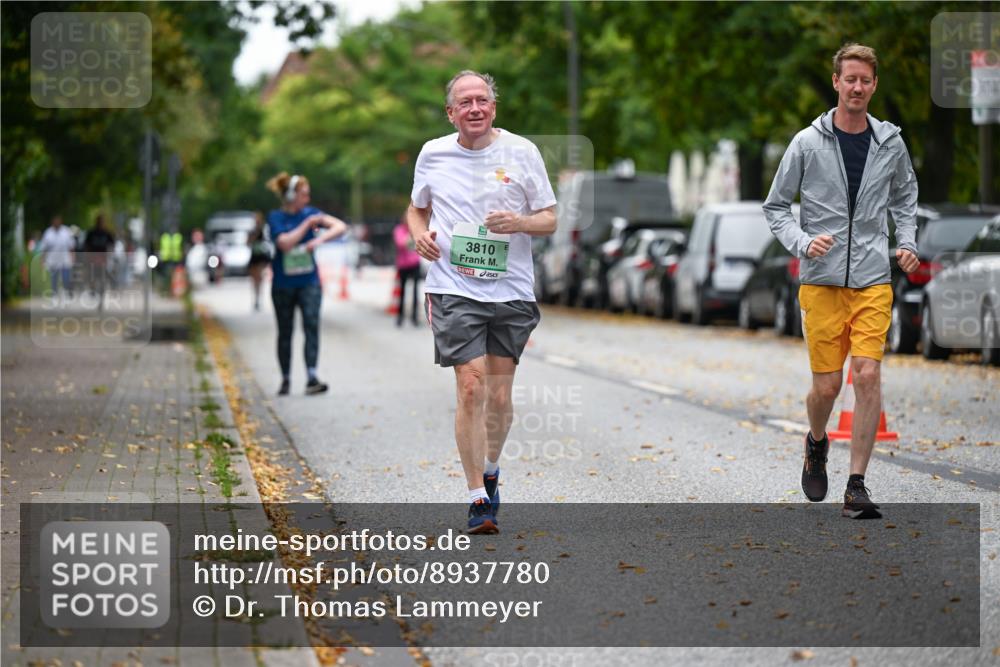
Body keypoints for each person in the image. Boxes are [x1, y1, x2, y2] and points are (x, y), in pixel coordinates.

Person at [763, 44, 919, 519]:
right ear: (836, 82)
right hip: (822, 281)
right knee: (828, 388)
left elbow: (905, 196)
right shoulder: (806, 143)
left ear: (874, 86)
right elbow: (776, 206)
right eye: (850, 79)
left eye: (865, 80)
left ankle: (856, 486)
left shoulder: (889, 143)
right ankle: (816, 441)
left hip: (873, 278)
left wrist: (906, 241)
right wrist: (802, 241)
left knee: (867, 374)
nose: (857, 87)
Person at [407, 70, 557, 534]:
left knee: (499, 395)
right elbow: (417, 207)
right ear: (451, 113)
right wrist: (418, 234)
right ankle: (477, 497)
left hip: (511, 290)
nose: (475, 108)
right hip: (453, 287)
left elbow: (550, 219)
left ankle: (491, 469)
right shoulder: (433, 153)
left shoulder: (522, 152)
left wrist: (519, 222)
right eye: (465, 102)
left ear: (493, 107)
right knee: (471, 386)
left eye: (482, 100)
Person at [265, 172, 349, 396]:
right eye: (303, 194)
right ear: (291, 195)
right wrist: (306, 226)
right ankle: (285, 378)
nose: (307, 199)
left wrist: (319, 239)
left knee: (311, 325)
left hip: (309, 282)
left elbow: (340, 227)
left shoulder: (311, 213)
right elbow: (284, 243)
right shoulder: (276, 217)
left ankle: (312, 376)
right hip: (283, 283)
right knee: (285, 331)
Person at [37, 214, 76, 300]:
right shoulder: (48, 233)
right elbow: (44, 248)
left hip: (65, 260)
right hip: (53, 261)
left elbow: (71, 247)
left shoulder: (66, 231)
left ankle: (66, 294)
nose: (57, 222)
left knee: (66, 278)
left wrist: (73, 258)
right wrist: (42, 260)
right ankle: (54, 295)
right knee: (54, 279)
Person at [393, 217, 422, 327]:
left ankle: (415, 317)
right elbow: (401, 243)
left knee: (415, 291)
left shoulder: (415, 229)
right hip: (403, 265)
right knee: (402, 292)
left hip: (415, 263)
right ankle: (400, 317)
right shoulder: (399, 230)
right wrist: (411, 236)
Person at [83, 214, 116, 308]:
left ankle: (101, 298)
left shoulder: (106, 233)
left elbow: (112, 244)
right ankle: (93, 290)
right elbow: (86, 245)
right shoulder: (91, 233)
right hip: (93, 258)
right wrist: (87, 256)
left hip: (103, 259)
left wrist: (110, 254)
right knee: (92, 277)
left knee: (102, 279)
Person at [248, 213, 272, 311]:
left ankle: (259, 298)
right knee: (255, 279)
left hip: (261, 257)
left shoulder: (264, 230)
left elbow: (268, 242)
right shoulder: (252, 231)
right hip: (254, 256)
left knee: (259, 278)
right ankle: (256, 298)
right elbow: (248, 242)